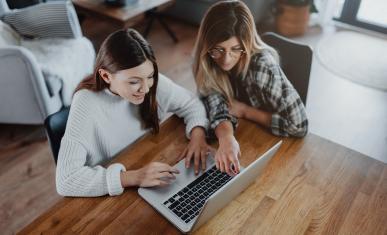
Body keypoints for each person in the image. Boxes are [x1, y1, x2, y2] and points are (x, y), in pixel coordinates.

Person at [56, 29, 210, 197]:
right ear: (106, 76)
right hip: (111, 196)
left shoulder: (148, 82)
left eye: (150, 76)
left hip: (147, 164)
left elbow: (191, 103)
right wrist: (134, 177)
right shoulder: (86, 103)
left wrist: (198, 136)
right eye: (134, 82)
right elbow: (66, 180)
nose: (145, 88)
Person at [192, 0, 308, 176]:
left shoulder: (264, 68)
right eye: (218, 49)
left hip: (275, 149)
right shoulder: (207, 59)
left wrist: (246, 111)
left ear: (246, 44)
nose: (226, 60)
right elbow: (212, 97)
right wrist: (226, 137)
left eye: (236, 49)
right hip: (245, 138)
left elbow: (300, 127)